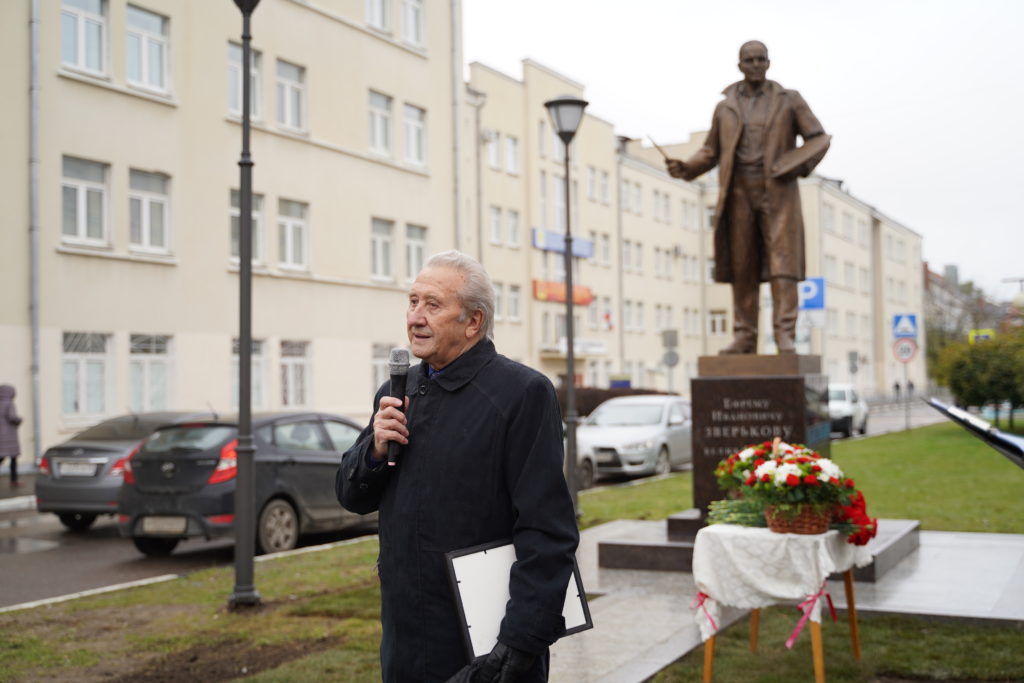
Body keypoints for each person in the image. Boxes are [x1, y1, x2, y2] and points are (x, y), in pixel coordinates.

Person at [336, 250, 579, 682]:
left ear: (473, 322)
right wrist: (374, 450)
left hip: (486, 648)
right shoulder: (397, 391)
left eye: (433, 305)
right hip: (405, 639)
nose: (415, 317)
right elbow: (350, 496)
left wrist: (520, 640)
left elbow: (547, 531)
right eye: (412, 302)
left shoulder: (522, 394)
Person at [665, 40, 829, 354]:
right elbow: (711, 149)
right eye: (749, 60)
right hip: (739, 190)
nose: (755, 65)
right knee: (744, 265)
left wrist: (793, 163)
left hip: (778, 191)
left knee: (784, 266)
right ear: (739, 65)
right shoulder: (725, 106)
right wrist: (686, 167)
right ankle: (745, 335)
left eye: (761, 59)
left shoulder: (789, 100)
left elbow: (818, 137)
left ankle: (784, 335)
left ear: (769, 63)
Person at [0, 384, 23, 486]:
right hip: (10, 435)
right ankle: (14, 480)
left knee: (1, 457)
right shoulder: (9, 403)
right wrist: (20, 420)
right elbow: (12, 417)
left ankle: (14, 480)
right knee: (13, 458)